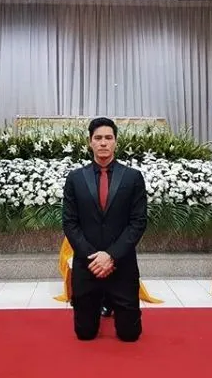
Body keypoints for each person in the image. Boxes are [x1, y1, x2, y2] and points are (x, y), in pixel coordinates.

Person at [62, 117, 148, 342]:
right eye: (98, 138)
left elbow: (138, 222)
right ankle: (100, 306)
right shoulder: (75, 178)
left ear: (115, 142)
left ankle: (112, 306)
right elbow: (69, 223)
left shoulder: (132, 177)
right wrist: (94, 258)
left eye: (108, 138)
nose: (103, 143)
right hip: (87, 265)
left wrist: (111, 256)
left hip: (121, 265)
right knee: (85, 334)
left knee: (130, 335)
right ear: (90, 142)